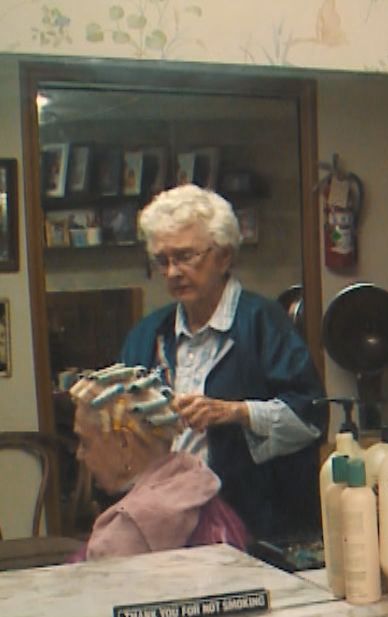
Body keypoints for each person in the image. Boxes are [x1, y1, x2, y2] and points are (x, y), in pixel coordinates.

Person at [116, 184, 324, 541]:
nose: (172, 272)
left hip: (254, 525)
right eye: (162, 261)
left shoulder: (263, 323)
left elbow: (310, 419)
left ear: (224, 257)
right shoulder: (148, 334)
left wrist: (235, 412)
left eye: (185, 256)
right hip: (164, 525)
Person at [64, 365, 250, 560]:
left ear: (124, 443)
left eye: (85, 443)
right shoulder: (201, 488)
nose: (79, 455)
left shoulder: (125, 533)